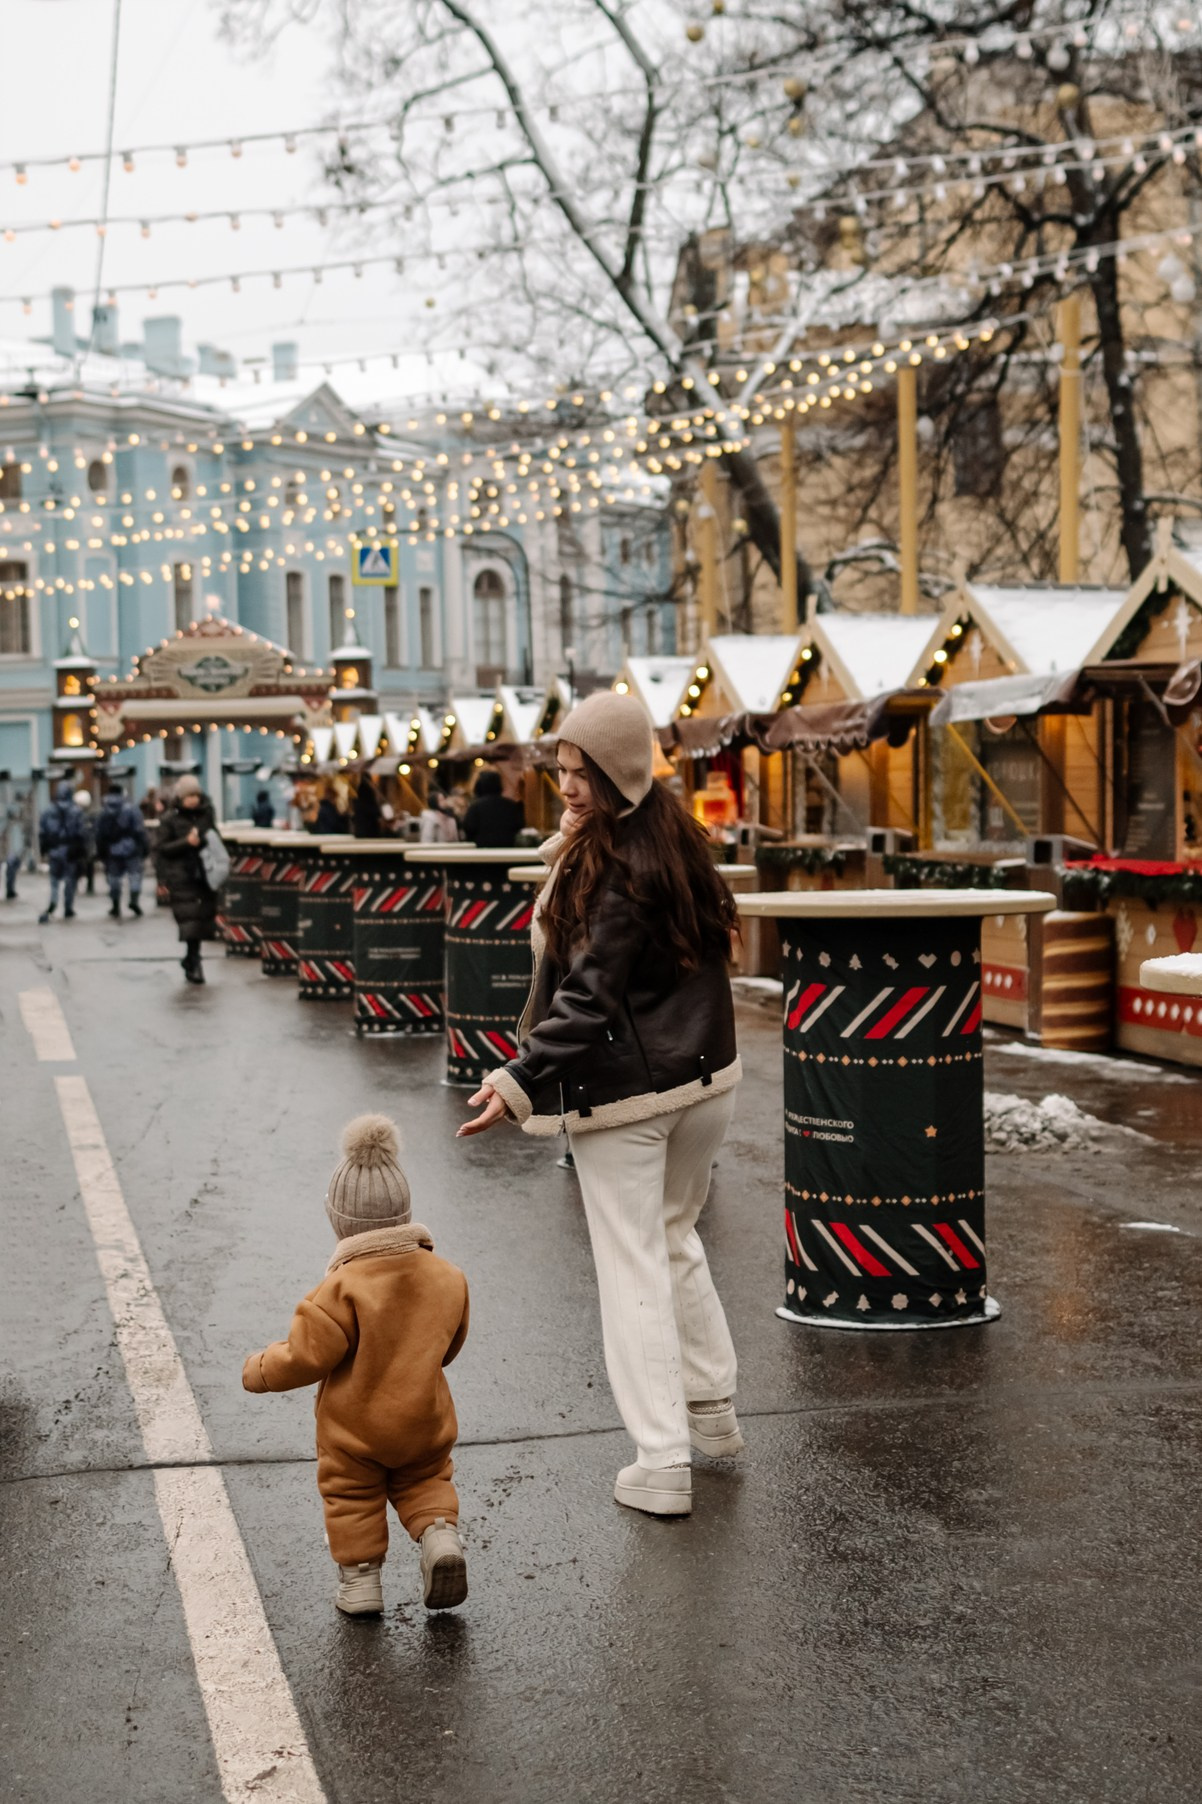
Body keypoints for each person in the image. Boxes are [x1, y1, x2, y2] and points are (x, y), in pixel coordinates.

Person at [459, 691, 742, 1519]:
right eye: (562, 770)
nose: (567, 787)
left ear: (619, 776)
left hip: (631, 1094)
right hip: (704, 1080)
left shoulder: (612, 872)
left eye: (581, 775)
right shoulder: (665, 843)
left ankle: (661, 1462)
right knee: (672, 1236)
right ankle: (711, 1413)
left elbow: (585, 1000)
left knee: (632, 1267)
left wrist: (515, 1083)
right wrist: (570, 845)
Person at [241, 1115, 470, 1617]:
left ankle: (362, 1584)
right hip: (425, 1418)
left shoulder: (338, 1290)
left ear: (340, 1222)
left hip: (355, 1429)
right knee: (426, 1481)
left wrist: (259, 1369)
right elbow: (449, 1347)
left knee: (352, 1496)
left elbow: (306, 1357)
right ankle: (439, 1537)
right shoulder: (448, 1277)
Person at [156, 775, 221, 984]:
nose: (193, 800)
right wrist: (186, 842)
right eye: (189, 796)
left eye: (195, 795)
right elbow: (162, 849)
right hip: (181, 876)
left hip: (204, 874)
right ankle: (195, 962)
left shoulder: (206, 815)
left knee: (201, 920)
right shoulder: (169, 820)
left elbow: (213, 839)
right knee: (190, 920)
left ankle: (191, 959)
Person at [95, 783, 149, 919]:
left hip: (112, 849)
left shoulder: (104, 810)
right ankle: (134, 900)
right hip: (131, 847)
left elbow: (99, 833)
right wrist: (144, 846)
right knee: (135, 875)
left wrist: (101, 851)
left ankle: (115, 905)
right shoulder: (131, 808)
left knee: (114, 878)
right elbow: (139, 830)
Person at [37, 780, 87, 924]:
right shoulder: (76, 810)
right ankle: (68, 907)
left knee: (54, 880)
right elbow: (81, 832)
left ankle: (53, 902)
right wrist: (81, 850)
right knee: (70, 880)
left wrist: (44, 850)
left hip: (54, 851)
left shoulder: (48, 811)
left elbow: (43, 832)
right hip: (70, 851)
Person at [462, 767, 525, 848]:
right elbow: (519, 825)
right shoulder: (511, 805)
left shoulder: (475, 807)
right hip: (507, 850)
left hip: (482, 851)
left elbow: (469, 828)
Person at [74, 788, 98, 895]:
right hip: (85, 844)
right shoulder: (89, 814)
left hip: (85, 844)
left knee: (86, 865)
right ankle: (88, 885)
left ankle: (88, 885)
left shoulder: (89, 815)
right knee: (85, 865)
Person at [351, 771, 384, 839]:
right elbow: (373, 811)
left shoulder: (358, 794)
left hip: (361, 831)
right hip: (369, 831)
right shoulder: (366, 792)